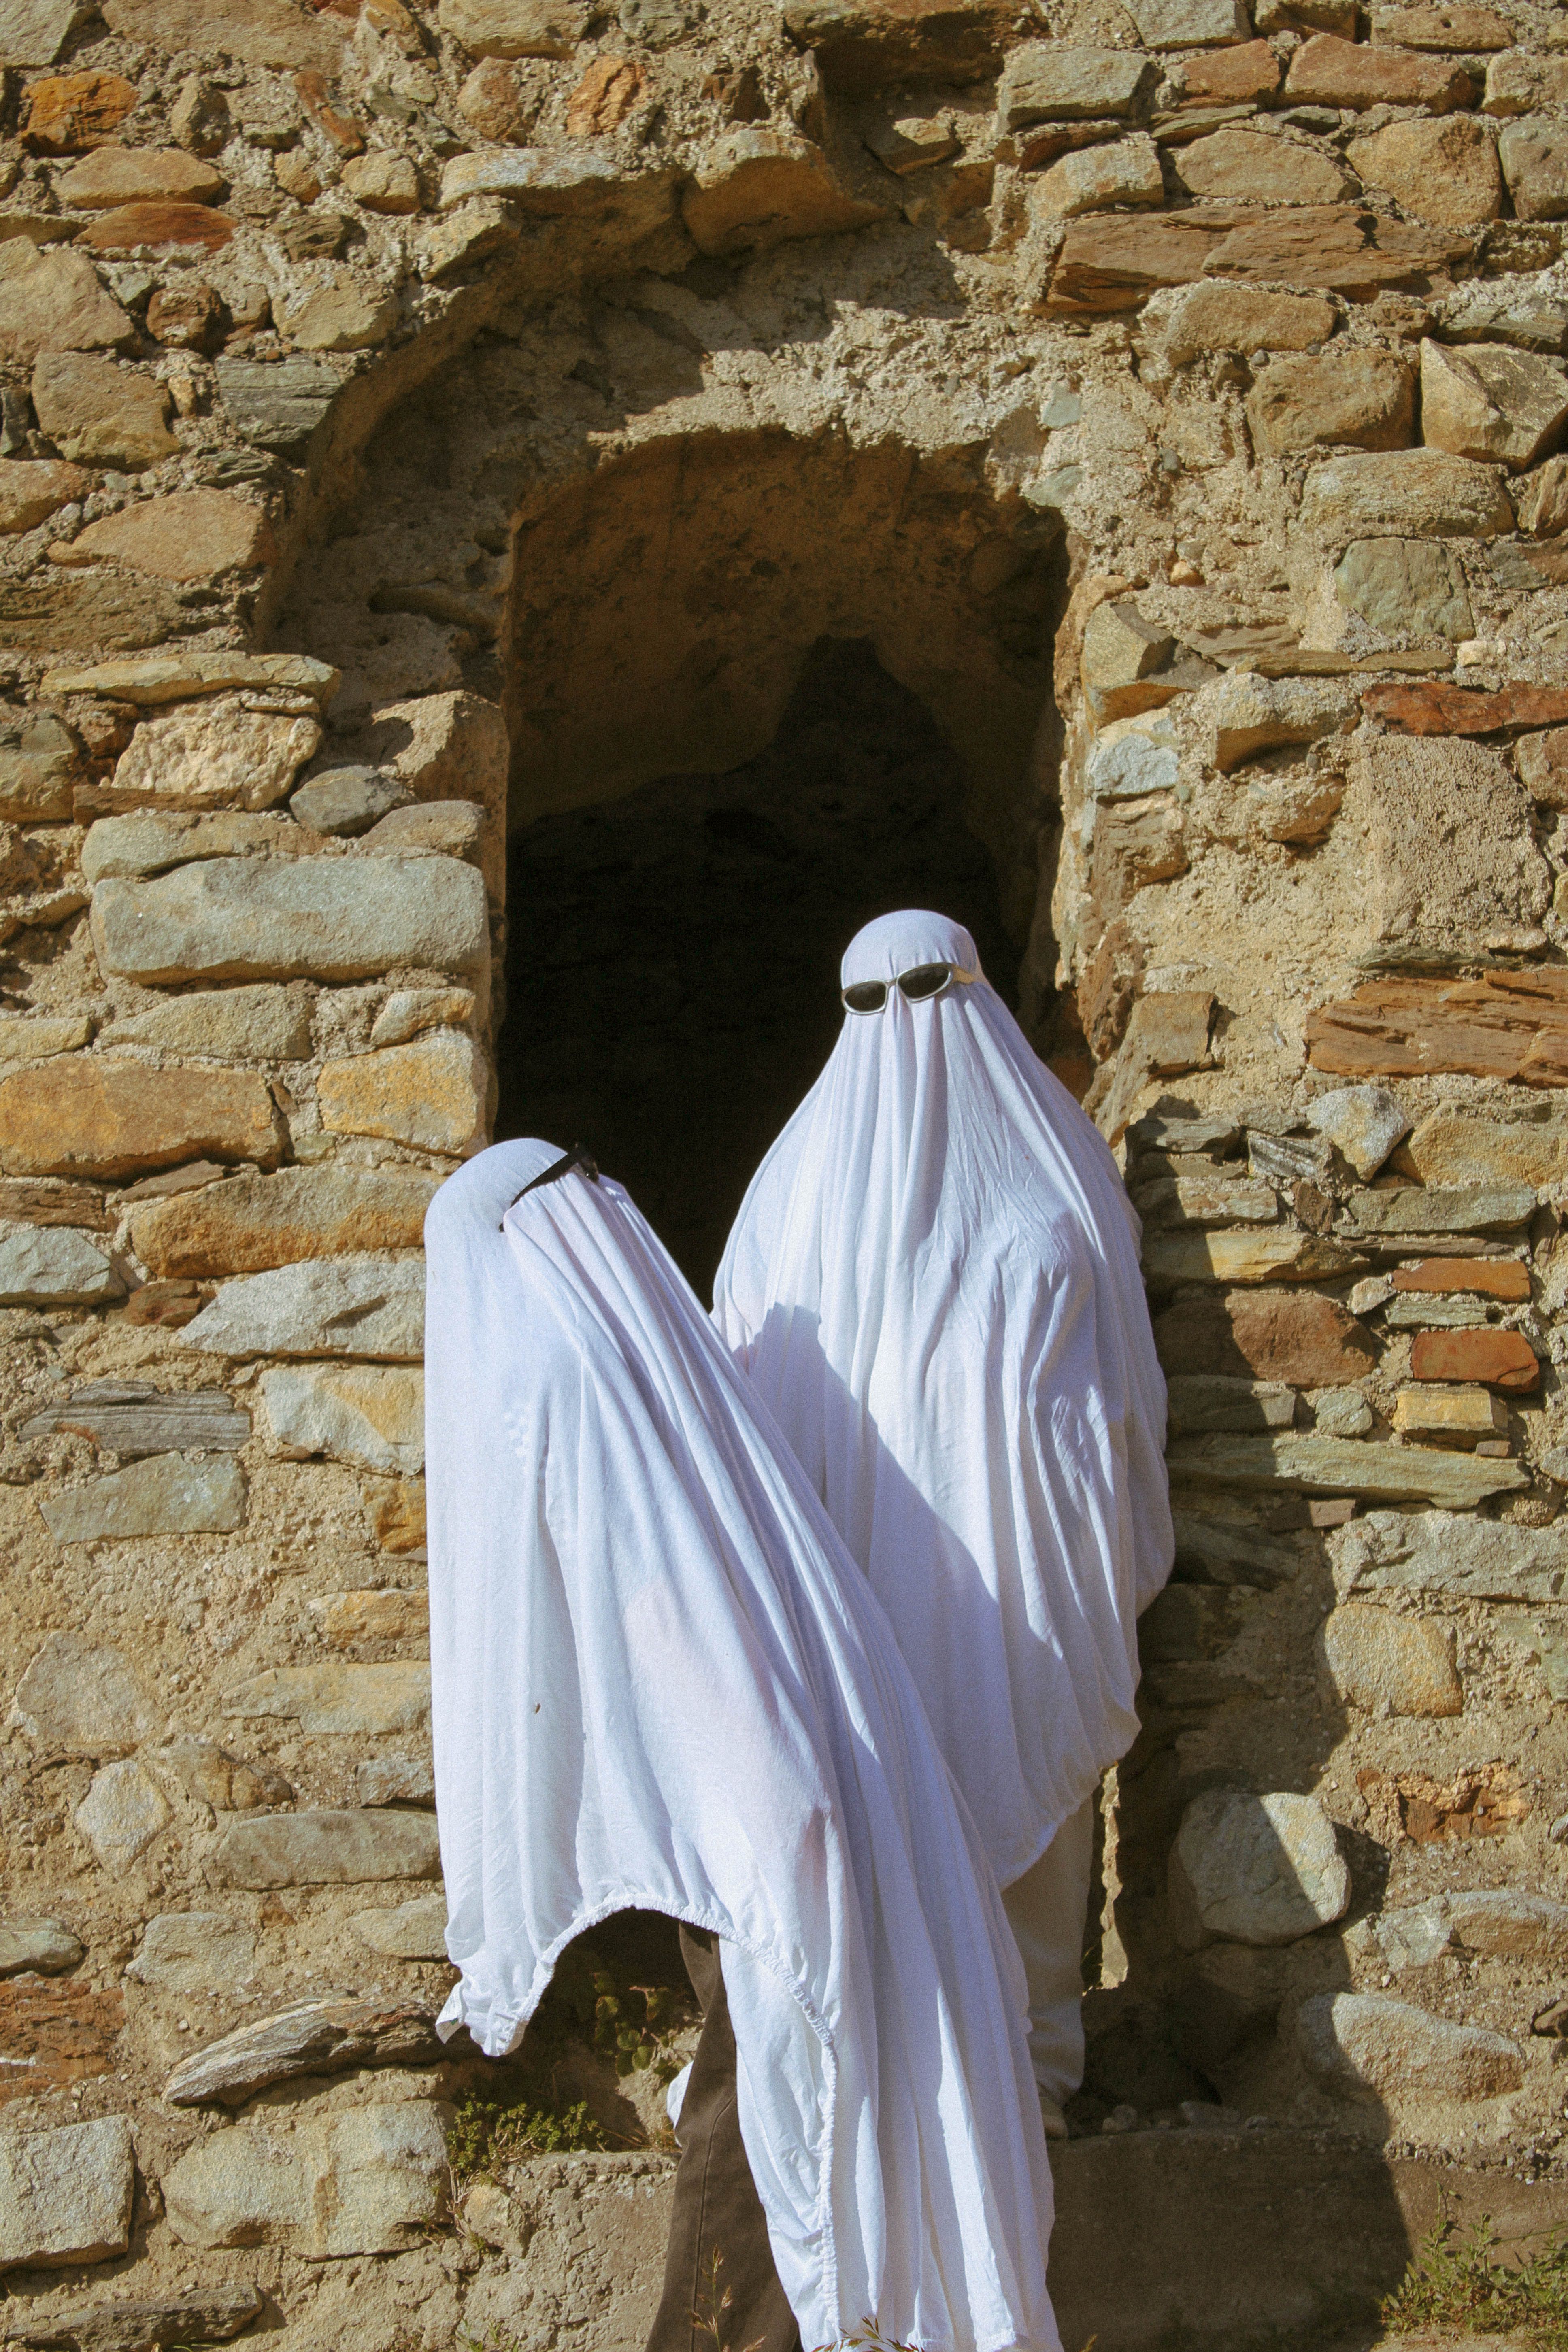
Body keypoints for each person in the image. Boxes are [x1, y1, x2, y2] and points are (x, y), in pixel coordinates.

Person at [425, 1137, 1060, 2352]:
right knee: (777, 2115)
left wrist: (774, 1853)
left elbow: (674, 1625)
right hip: (807, 1806)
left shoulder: (569, 1381)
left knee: (777, 2120)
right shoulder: (639, 1364)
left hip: (774, 1819)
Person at [713, 910, 1174, 2137]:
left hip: (1021, 1569)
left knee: (1024, 1790)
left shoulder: (1054, 1177)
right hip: (853, 1574)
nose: (906, 1025)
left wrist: (1086, 1526)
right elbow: (745, 1388)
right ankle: (860, 2082)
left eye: (929, 986)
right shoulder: (792, 1198)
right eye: (876, 999)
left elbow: (1119, 1384)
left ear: (973, 987)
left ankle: (1025, 2074)